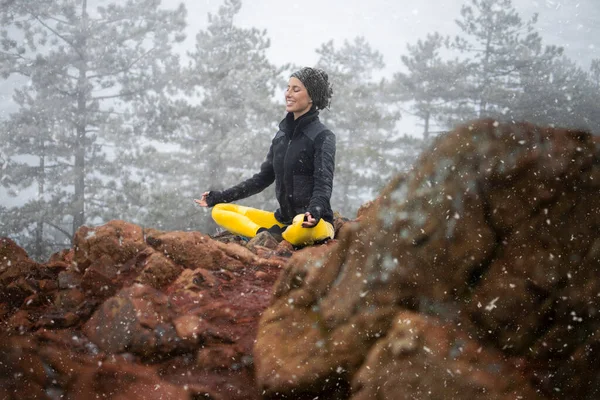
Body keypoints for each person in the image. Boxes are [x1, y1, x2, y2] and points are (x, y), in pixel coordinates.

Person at [194, 67, 336, 247]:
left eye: (296, 89)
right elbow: (262, 179)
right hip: (282, 219)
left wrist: (314, 211)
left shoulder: (323, 136)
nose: (288, 94)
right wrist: (221, 196)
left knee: (299, 229)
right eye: (288, 88)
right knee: (220, 211)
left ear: (312, 97)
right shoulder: (281, 137)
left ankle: (278, 235)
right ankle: (266, 236)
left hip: (312, 221)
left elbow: (324, 183)